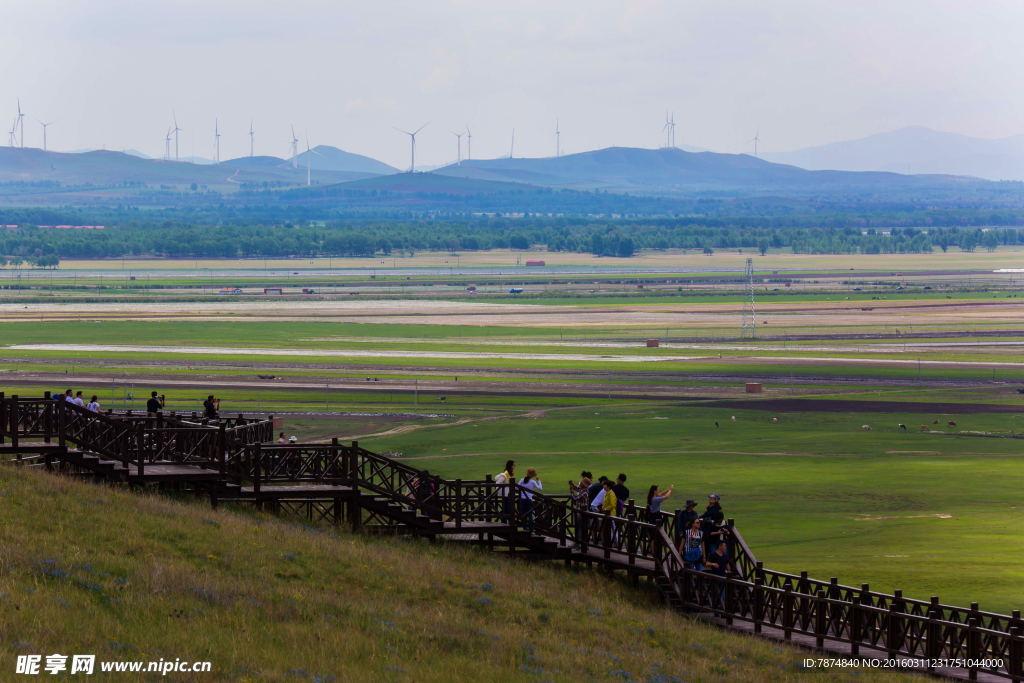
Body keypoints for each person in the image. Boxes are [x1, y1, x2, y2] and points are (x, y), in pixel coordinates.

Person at [705, 541, 729, 610]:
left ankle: (722, 610)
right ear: (719, 547)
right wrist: (713, 564)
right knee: (715, 595)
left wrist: (729, 571)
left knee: (723, 595)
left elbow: (727, 565)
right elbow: (707, 564)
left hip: (723, 577)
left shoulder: (725, 555)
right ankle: (716, 610)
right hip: (715, 577)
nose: (725, 547)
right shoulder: (712, 555)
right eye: (724, 546)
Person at [518, 467, 542, 532]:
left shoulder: (522, 480)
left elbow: (516, 486)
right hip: (529, 499)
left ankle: (524, 530)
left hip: (522, 499)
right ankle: (531, 531)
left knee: (523, 515)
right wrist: (539, 481)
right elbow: (540, 488)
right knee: (530, 515)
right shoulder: (533, 482)